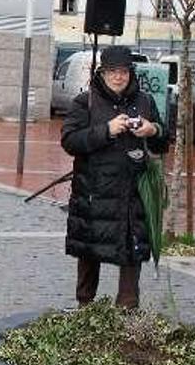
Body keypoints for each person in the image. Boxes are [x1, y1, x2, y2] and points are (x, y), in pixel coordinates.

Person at [60, 45, 168, 309]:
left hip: (134, 194)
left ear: (131, 73)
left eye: (123, 72)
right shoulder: (85, 101)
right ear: (102, 73)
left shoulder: (144, 101)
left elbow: (163, 141)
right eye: (112, 72)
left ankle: (127, 313)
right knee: (89, 250)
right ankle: (86, 308)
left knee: (132, 252)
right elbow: (70, 141)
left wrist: (152, 129)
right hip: (94, 192)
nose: (118, 77)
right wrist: (106, 130)